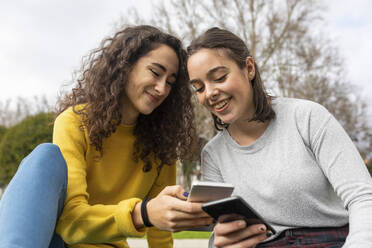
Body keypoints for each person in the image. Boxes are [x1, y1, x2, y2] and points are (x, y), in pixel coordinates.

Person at [0, 25, 212, 248]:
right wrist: (143, 213)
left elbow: (161, 235)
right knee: (45, 155)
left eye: (170, 82)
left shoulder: (162, 145)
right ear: (126, 66)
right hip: (59, 243)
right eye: (155, 73)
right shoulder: (75, 122)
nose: (161, 88)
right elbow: (72, 222)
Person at [186, 27, 372, 248]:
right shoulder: (213, 155)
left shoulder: (307, 117)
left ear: (249, 68)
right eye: (198, 88)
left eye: (219, 77)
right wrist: (222, 240)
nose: (209, 93)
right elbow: (222, 233)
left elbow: (362, 198)